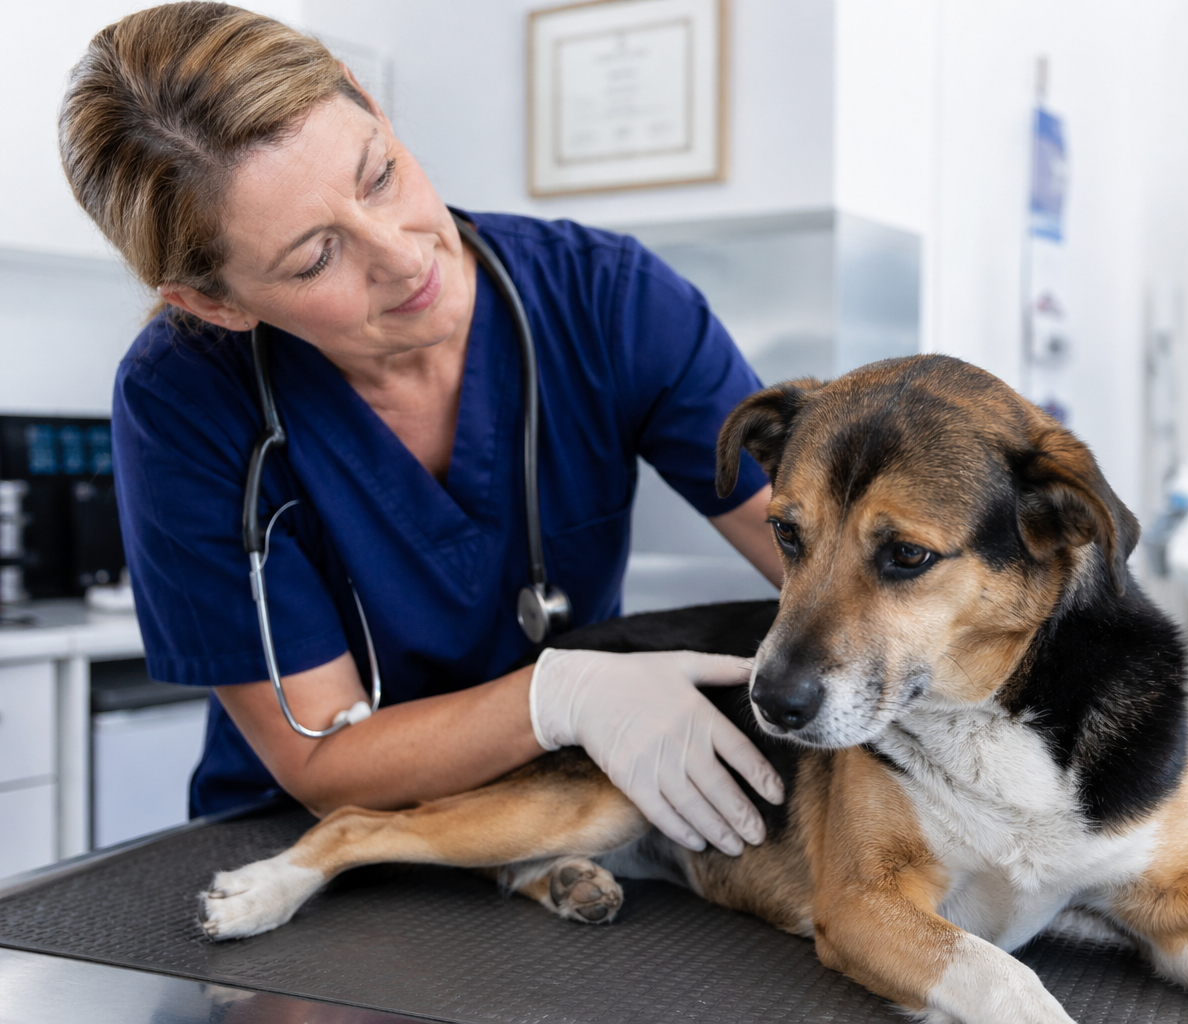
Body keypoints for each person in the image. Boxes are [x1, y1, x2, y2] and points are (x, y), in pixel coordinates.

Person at [58, 2, 785, 858]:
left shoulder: (609, 304)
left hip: (554, 830)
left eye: (379, 176)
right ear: (215, 303)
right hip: (306, 851)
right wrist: (559, 698)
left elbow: (821, 559)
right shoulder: (182, 399)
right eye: (315, 257)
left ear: (369, 100)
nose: (405, 257)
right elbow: (317, 752)